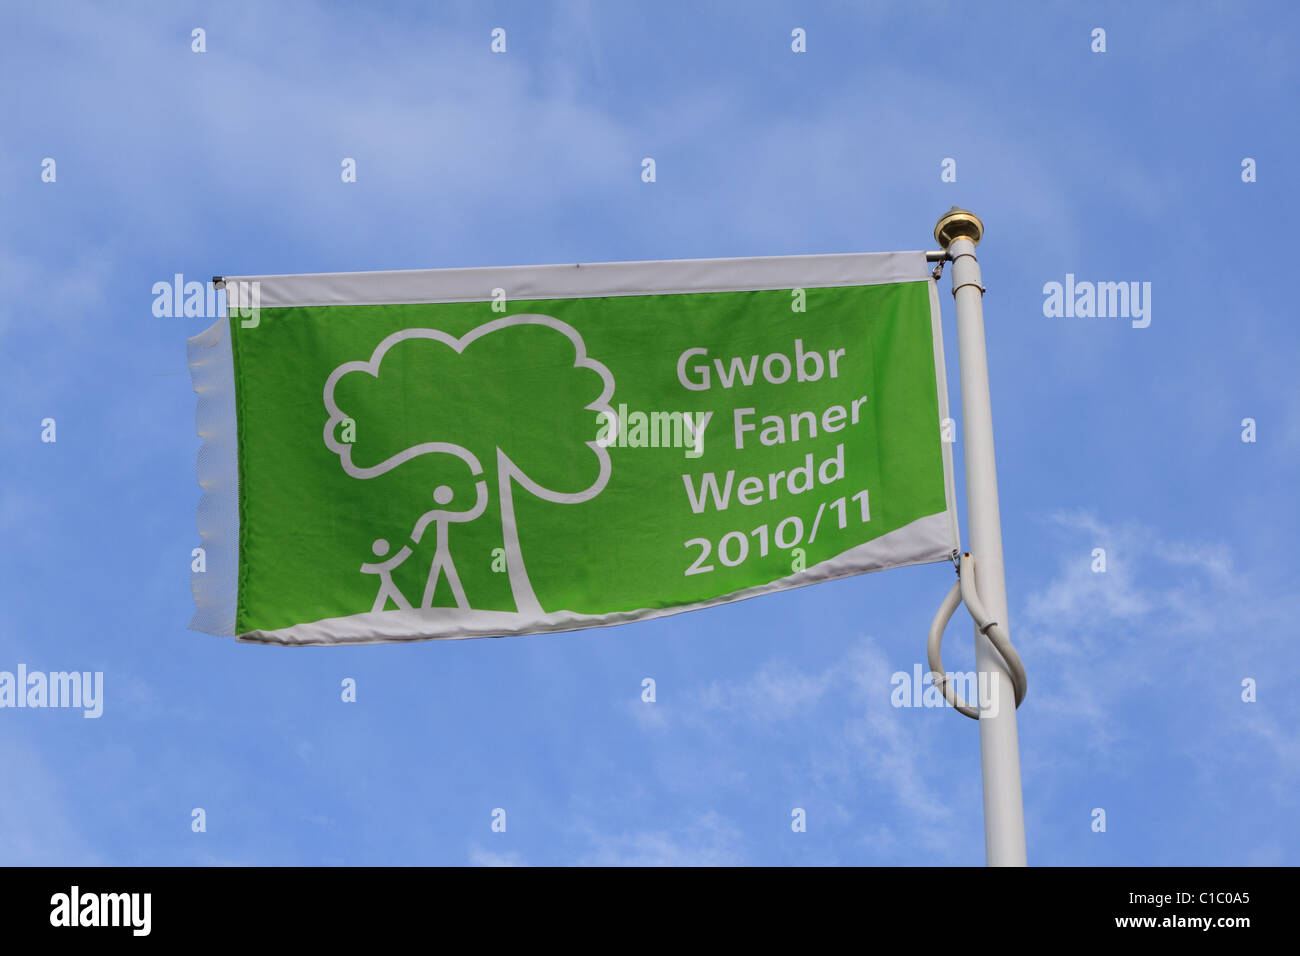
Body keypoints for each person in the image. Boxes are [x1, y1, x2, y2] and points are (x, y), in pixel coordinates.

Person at [411, 478, 489, 610]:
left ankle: (452, 605)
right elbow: (421, 526)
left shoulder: (443, 513)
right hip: (440, 550)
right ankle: (429, 606)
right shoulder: (434, 514)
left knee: (442, 574)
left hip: (443, 550)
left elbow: (470, 514)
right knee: (438, 575)